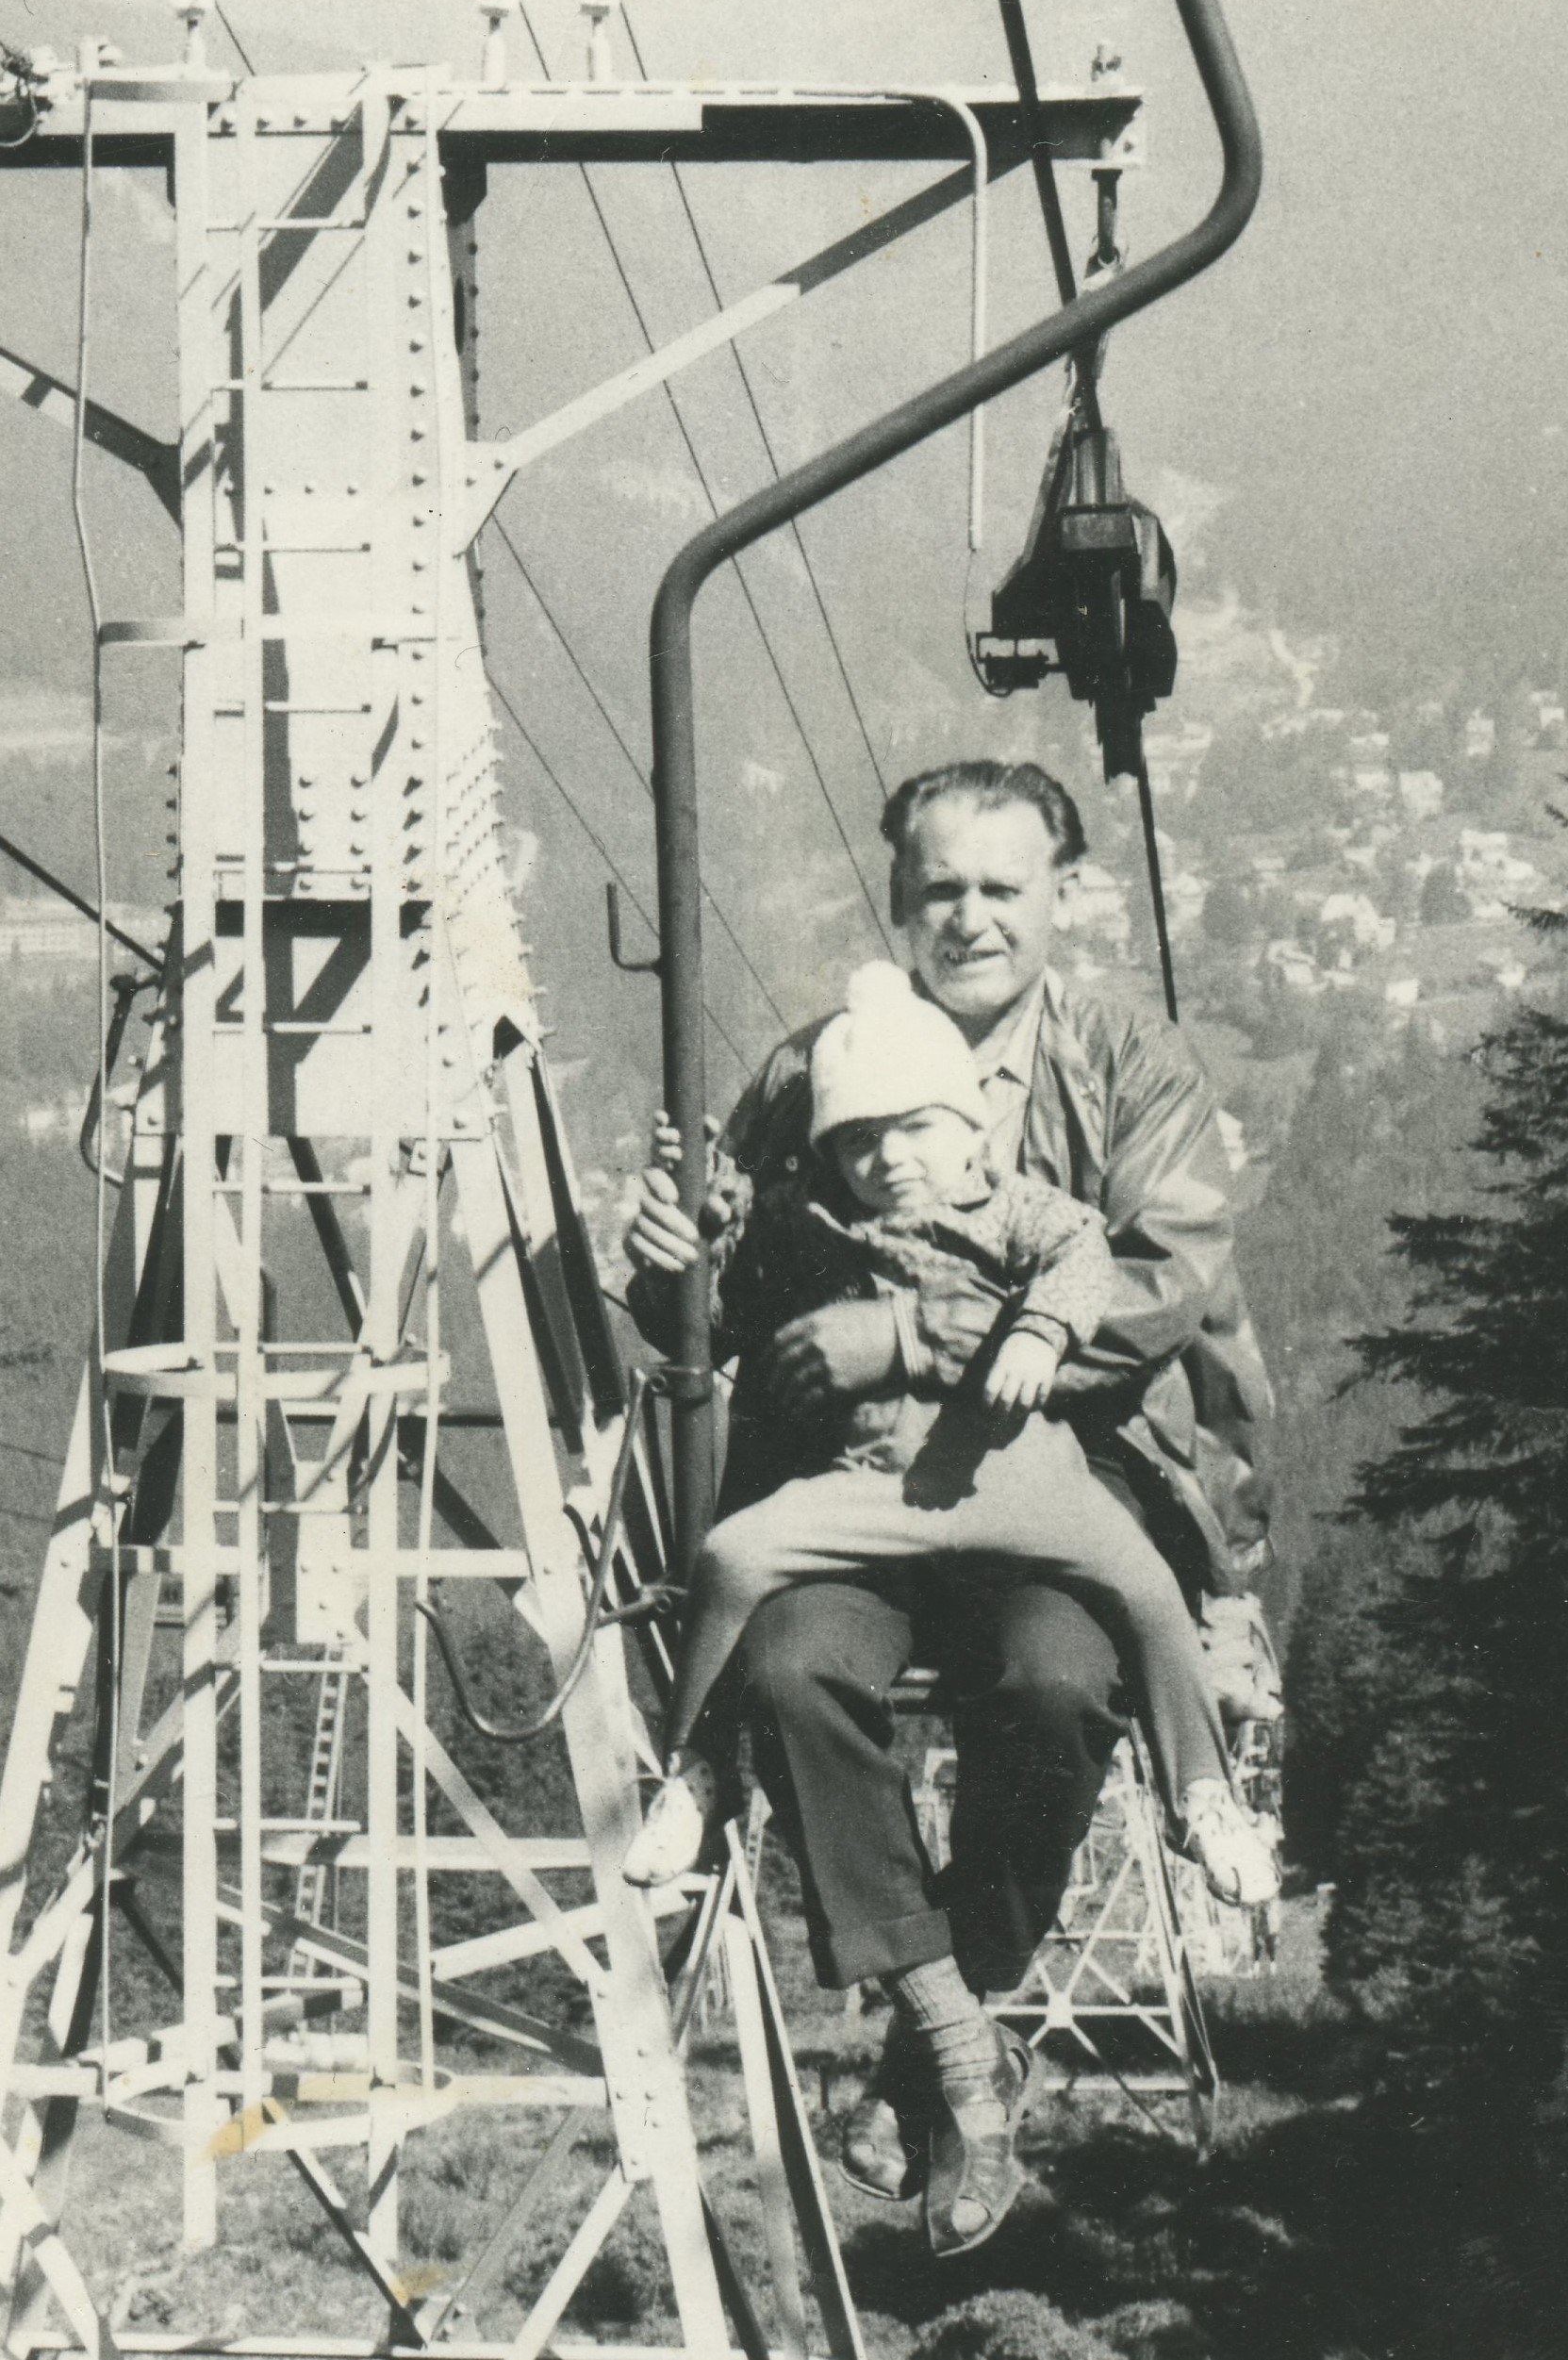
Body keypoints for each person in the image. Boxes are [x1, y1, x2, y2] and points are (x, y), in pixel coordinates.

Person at [624, 758, 1276, 2254]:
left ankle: (926, 2053)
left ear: (1059, 895)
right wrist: (674, 1264)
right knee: (793, 1668)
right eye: (938, 891)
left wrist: (918, 1337)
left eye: (1000, 887)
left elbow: (1157, 1286)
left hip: (1057, 1475)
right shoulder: (809, 1073)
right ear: (897, 902)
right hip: (854, 1484)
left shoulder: (1127, 1065)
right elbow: (727, 1301)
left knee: (1054, 1685)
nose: (969, 919)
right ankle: (965, 2052)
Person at [620, 964, 1274, 1944]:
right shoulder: (809, 1220)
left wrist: (1036, 1334)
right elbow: (717, 1312)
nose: (890, 1160)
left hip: (1013, 1478)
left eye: (917, 1128)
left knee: (1145, 1587)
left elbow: (1085, 1255)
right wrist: (697, 1234)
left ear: (969, 1126)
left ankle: (1202, 1794)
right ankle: (697, 1771)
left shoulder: (1008, 1206)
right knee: (731, 1560)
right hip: (871, 1487)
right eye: (858, 1140)